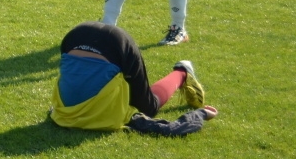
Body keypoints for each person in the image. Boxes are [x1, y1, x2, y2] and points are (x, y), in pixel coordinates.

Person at [51, 21, 217, 134]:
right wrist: (200, 114)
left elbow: (174, 128)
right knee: (147, 106)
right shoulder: (60, 113)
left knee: (148, 107)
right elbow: (172, 129)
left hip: (99, 40)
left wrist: (202, 114)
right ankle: (182, 71)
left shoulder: (63, 115)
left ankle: (182, 71)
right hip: (79, 35)